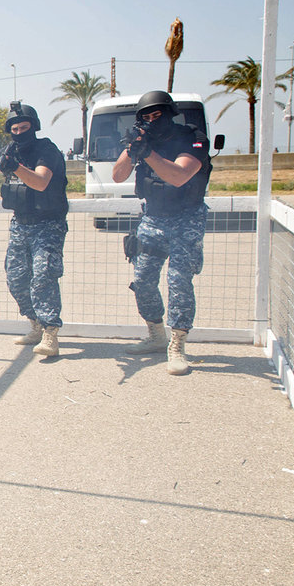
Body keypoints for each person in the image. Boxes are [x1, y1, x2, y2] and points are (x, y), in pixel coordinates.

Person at [112, 90, 212, 375]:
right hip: (153, 218)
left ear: (170, 114)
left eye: (158, 115)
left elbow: (179, 176)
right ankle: (156, 335)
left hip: (187, 218)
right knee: (142, 280)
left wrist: (149, 153)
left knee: (179, 281)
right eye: (147, 117)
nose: (152, 121)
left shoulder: (193, 137)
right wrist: (133, 149)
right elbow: (118, 176)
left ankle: (177, 344)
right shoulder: (144, 140)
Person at [0, 103, 68, 358]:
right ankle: (35, 325)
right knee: (16, 279)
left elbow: (40, 182)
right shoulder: (10, 150)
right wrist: (0, 163)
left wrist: (14, 166)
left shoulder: (45, 149)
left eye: (24, 127)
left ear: (34, 127)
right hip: (21, 224)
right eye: (14, 128)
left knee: (43, 276)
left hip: (48, 224)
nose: (19, 132)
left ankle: (50, 333)